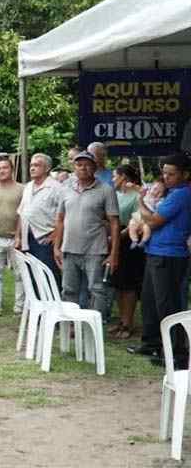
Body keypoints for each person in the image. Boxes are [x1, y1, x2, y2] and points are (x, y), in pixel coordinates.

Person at [129, 154, 191, 368]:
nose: (166, 177)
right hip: (156, 251)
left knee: (168, 304)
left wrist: (140, 202)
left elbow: (154, 221)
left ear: (185, 174)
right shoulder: (171, 192)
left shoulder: (181, 194)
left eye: (171, 174)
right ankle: (152, 342)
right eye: (164, 173)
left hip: (170, 255)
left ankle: (176, 353)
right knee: (149, 301)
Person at [52, 150, 120, 323]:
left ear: (95, 168)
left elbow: (114, 223)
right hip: (69, 249)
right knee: (68, 290)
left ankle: (95, 327)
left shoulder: (105, 190)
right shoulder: (66, 189)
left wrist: (114, 254)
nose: (83, 168)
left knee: (97, 289)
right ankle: (70, 326)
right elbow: (60, 219)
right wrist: (56, 247)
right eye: (79, 164)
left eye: (87, 165)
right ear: (74, 167)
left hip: (95, 250)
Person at [0, 156, 25, 317]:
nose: (2, 171)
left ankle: (20, 307)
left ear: (11, 169)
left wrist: (19, 235)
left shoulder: (22, 189)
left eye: (5, 167)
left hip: (15, 238)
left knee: (19, 274)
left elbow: (23, 215)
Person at [108, 164, 144, 340]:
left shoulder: (137, 196)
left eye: (115, 176)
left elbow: (137, 220)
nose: (112, 179)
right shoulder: (115, 195)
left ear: (123, 177)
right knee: (118, 284)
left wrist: (118, 236)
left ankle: (128, 323)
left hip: (129, 241)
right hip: (114, 241)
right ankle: (121, 320)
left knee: (128, 285)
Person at [15, 153, 64, 279]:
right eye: (31, 165)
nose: (32, 168)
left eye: (37, 165)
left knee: (48, 276)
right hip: (27, 239)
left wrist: (56, 235)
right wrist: (18, 237)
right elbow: (22, 213)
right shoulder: (28, 186)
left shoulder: (57, 188)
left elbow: (65, 215)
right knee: (31, 276)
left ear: (47, 168)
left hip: (45, 239)